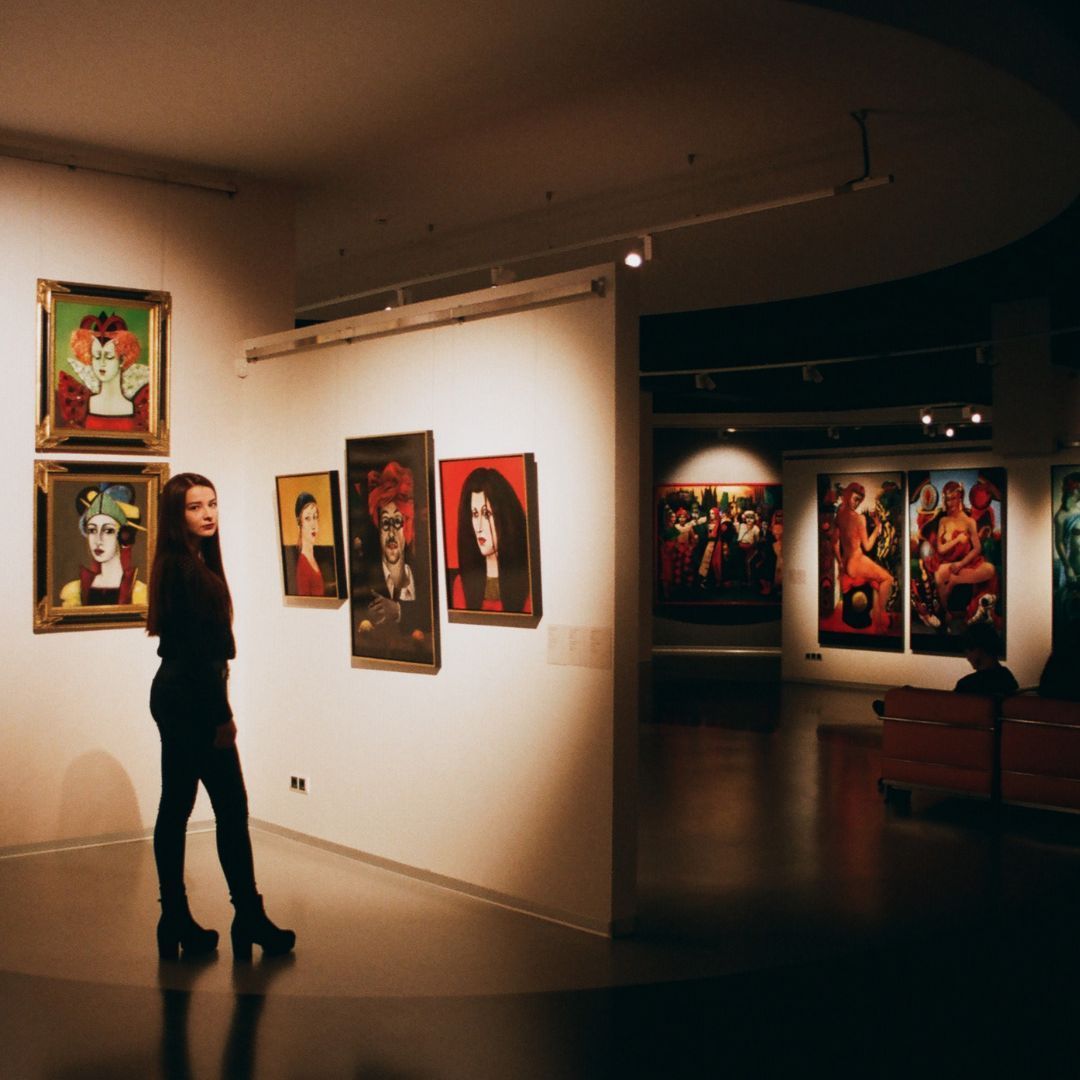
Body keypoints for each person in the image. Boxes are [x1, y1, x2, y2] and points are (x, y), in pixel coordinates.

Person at [147, 472, 294, 961]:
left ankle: (176, 919)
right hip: (192, 698)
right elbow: (199, 657)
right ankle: (246, 916)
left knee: (178, 806)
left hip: (177, 694)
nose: (208, 514)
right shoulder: (188, 572)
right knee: (230, 808)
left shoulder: (183, 564)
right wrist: (222, 718)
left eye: (212, 504)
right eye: (195, 507)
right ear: (176, 515)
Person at [453, 466, 531, 612]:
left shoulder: (529, 584)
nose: (479, 527)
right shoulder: (461, 584)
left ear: (505, 516)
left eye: (487, 514)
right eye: (475, 515)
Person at [56, 312, 150, 431]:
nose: (102, 363)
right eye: (96, 356)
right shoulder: (81, 404)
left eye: (109, 357)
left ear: (122, 360)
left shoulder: (138, 408)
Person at [60, 483, 148, 606]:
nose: (98, 540)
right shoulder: (75, 590)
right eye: (92, 530)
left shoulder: (139, 592)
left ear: (124, 536)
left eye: (108, 531)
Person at [834, 482, 894, 631]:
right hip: (858, 561)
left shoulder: (839, 515)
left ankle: (876, 612)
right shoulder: (859, 518)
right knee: (888, 579)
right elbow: (867, 546)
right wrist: (877, 528)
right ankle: (880, 615)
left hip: (848, 563)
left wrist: (841, 562)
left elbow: (835, 543)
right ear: (848, 495)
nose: (857, 503)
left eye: (860, 500)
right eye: (856, 498)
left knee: (876, 578)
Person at [933, 480, 996, 614]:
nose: (951, 503)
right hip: (948, 564)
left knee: (990, 569)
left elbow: (977, 549)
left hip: (965, 563)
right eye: (948, 499)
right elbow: (941, 549)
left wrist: (961, 564)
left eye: (953, 499)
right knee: (939, 575)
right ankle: (946, 614)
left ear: (960, 497)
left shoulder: (969, 521)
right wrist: (957, 540)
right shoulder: (943, 521)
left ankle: (955, 581)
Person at [954, 623, 1018, 696]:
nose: (967, 658)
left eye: (968, 651)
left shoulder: (967, 685)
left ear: (978, 649)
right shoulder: (1007, 677)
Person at [293, 491, 325, 597]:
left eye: (315, 517)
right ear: (299, 523)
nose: (313, 525)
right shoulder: (303, 566)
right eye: (307, 518)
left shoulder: (313, 557)